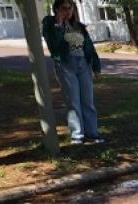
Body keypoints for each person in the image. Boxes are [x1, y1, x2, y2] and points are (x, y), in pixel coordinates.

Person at [42, 0, 104, 145]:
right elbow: (53, 43)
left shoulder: (78, 26)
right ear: (57, 9)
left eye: (71, 8)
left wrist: (96, 67)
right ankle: (77, 135)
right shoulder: (50, 24)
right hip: (66, 64)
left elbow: (89, 47)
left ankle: (92, 134)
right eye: (64, 8)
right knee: (73, 101)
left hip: (83, 64)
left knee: (88, 101)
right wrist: (58, 23)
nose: (68, 11)